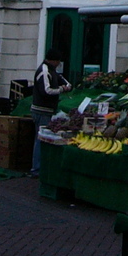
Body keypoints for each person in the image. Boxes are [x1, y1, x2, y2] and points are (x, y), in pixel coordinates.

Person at [31, 48, 72, 177]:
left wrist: (66, 85)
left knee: (42, 139)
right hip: (42, 110)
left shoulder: (52, 71)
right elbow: (46, 91)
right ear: (53, 61)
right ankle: (36, 169)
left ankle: (39, 167)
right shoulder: (44, 71)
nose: (58, 64)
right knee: (41, 140)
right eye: (58, 61)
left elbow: (63, 80)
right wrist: (61, 89)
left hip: (48, 110)